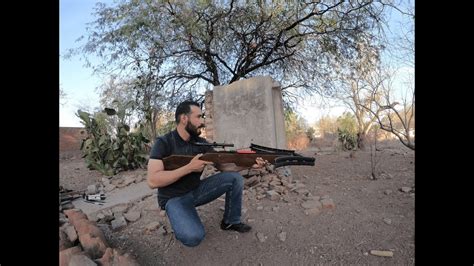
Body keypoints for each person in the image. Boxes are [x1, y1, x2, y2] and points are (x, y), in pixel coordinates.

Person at [147, 100, 265, 247]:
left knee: (235, 178)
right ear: (184, 119)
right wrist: (189, 168)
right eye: (198, 117)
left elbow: (224, 166)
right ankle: (180, 218)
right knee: (193, 237)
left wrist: (250, 165)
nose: (202, 121)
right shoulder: (164, 142)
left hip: (197, 191)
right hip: (173, 199)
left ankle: (230, 222)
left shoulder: (201, 143)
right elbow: (152, 180)